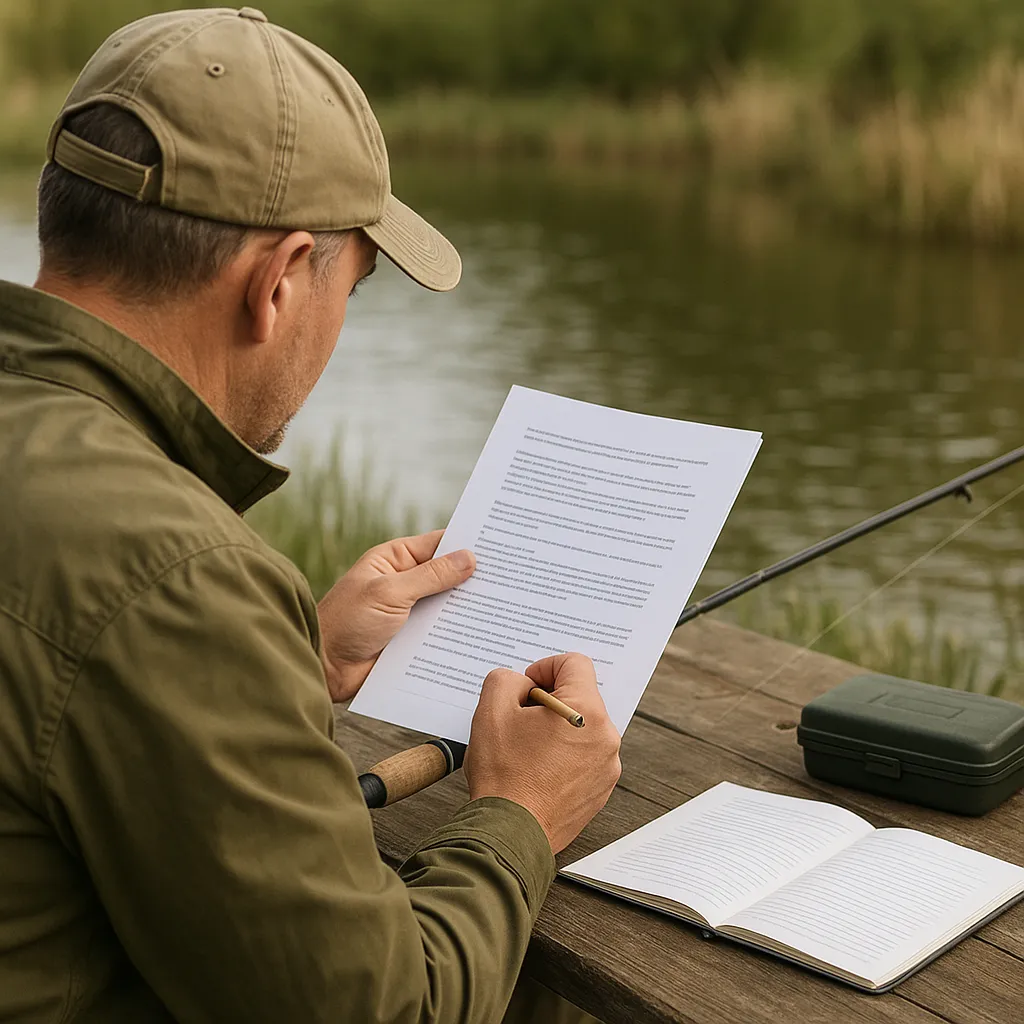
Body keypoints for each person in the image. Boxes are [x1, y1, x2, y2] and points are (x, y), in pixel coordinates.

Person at [0, 7, 622, 1023]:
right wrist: (520, 814)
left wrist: (292, 661)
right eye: (355, 287)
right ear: (280, 282)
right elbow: (384, 1008)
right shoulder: (170, 577)